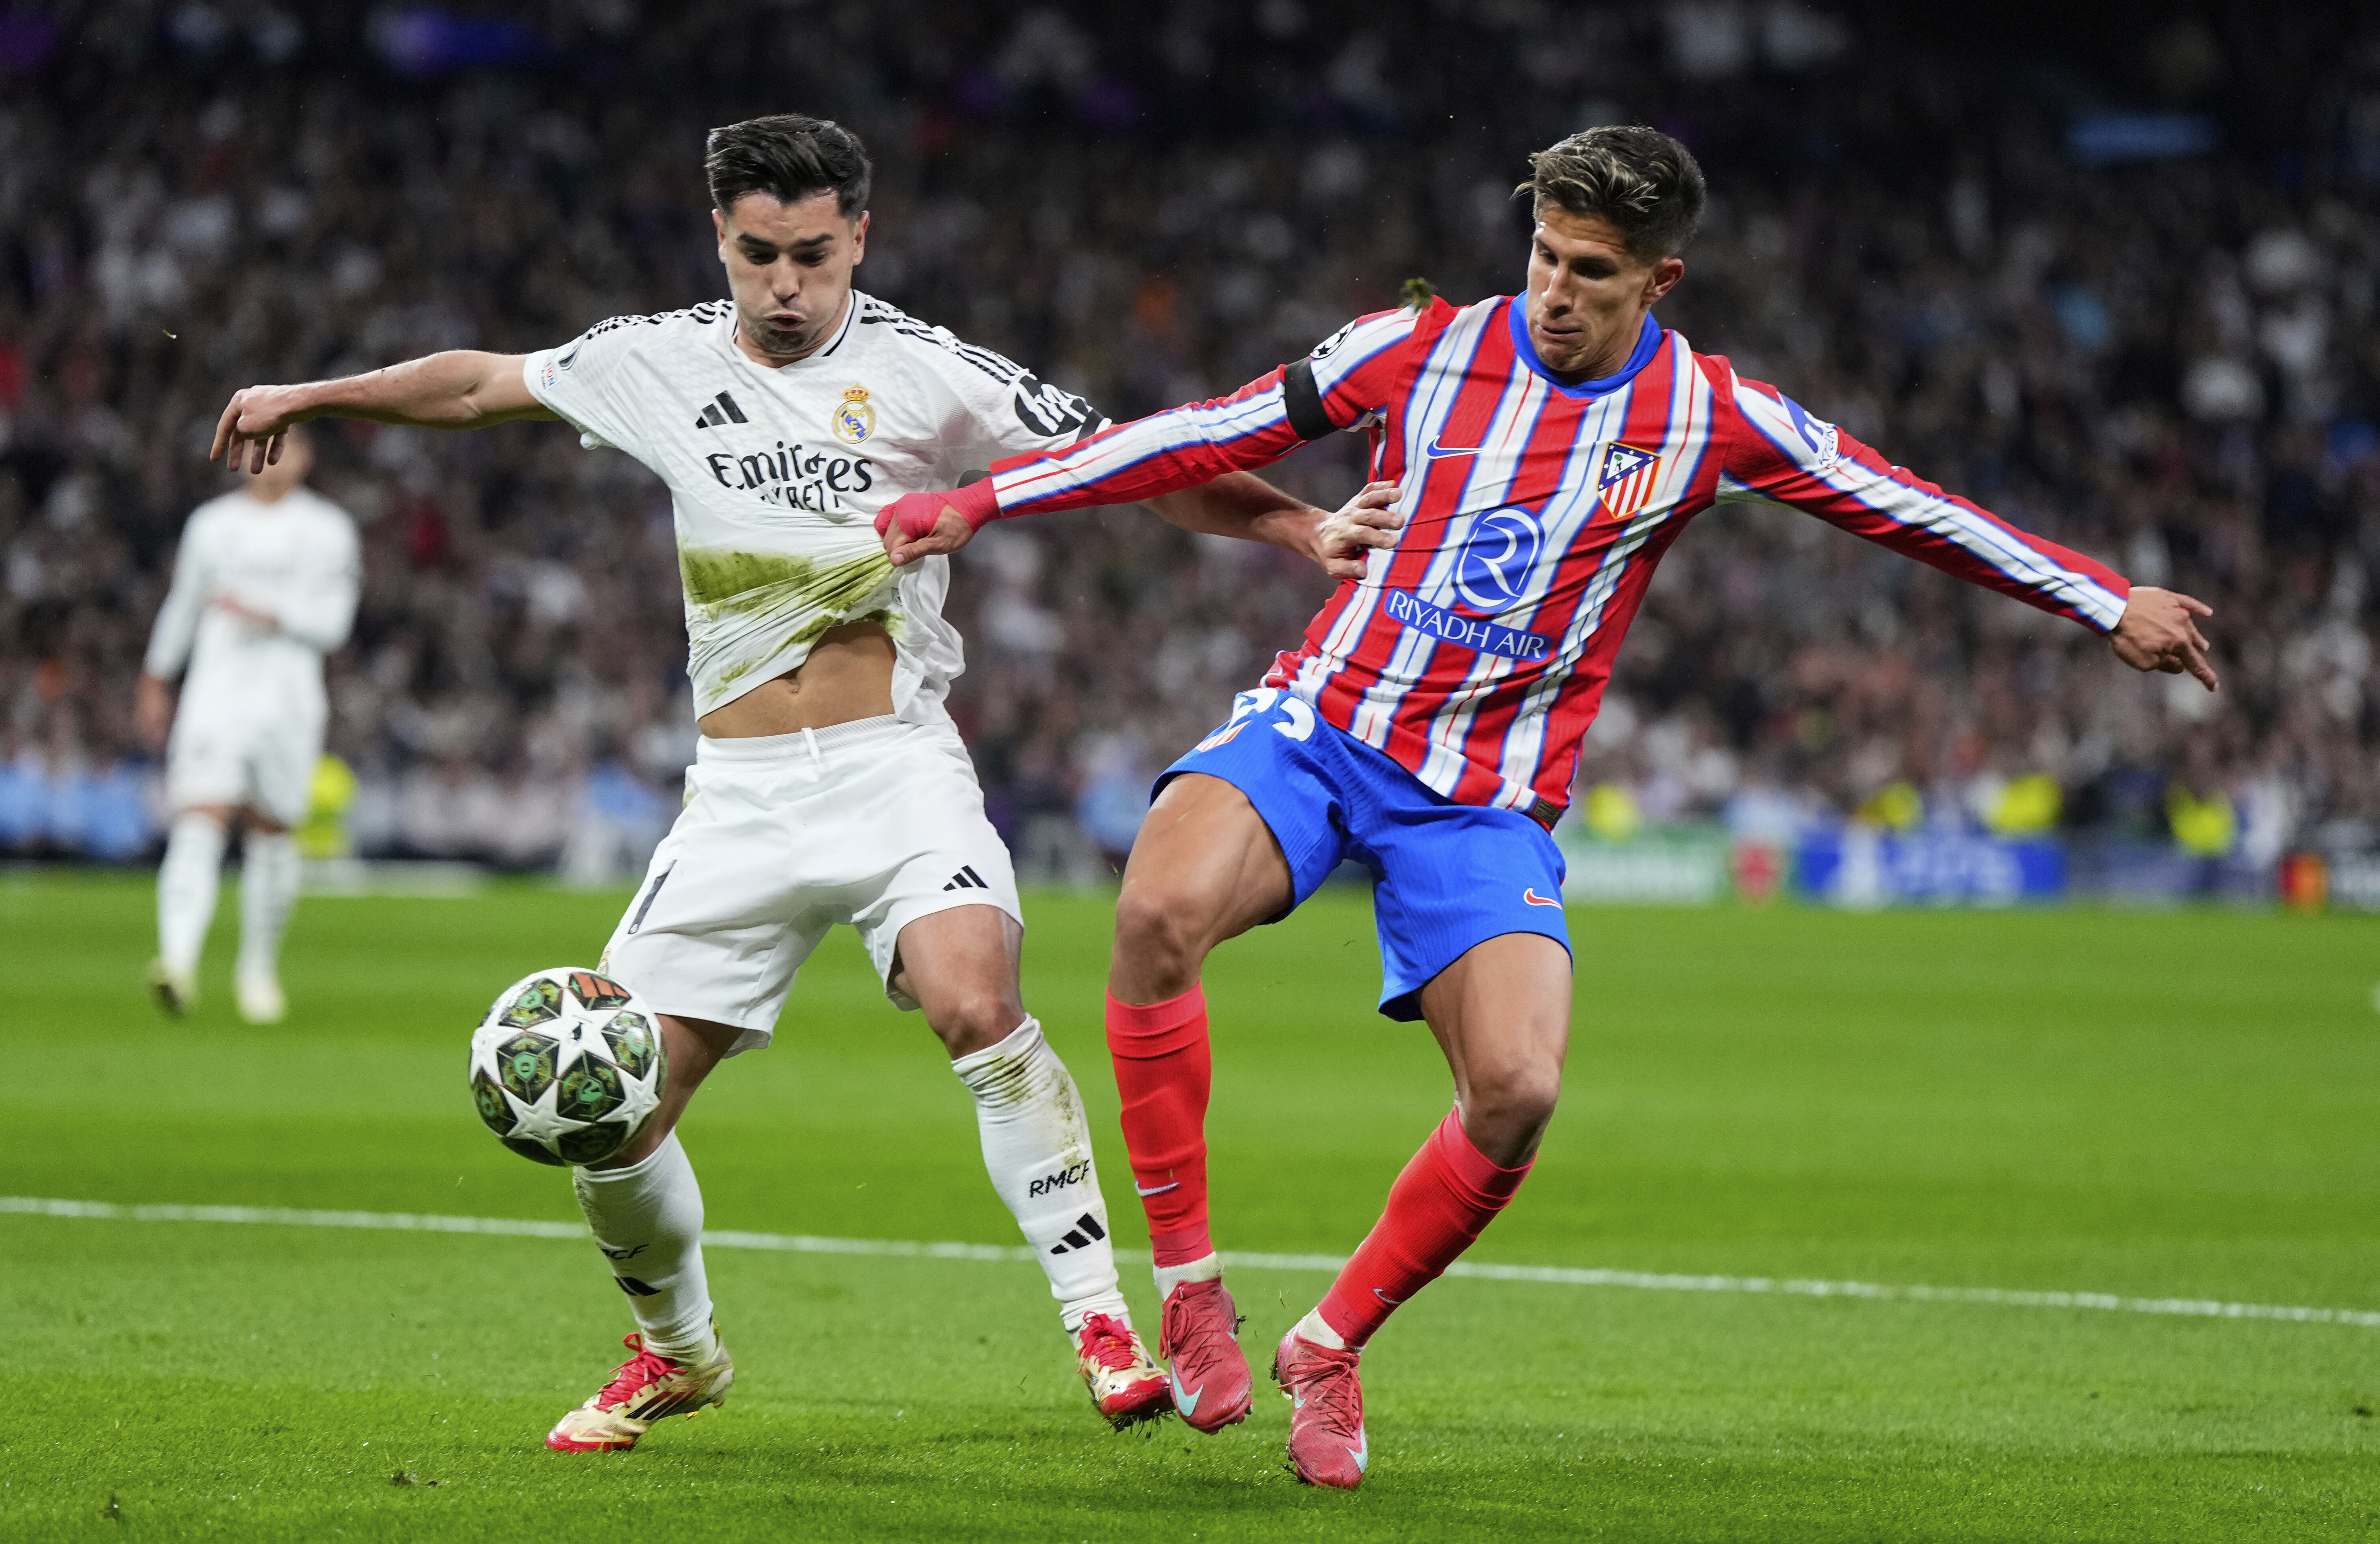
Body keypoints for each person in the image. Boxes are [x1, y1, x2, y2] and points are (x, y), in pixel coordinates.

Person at [872, 125, 2221, 1488]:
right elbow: (1204, 433)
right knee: (1155, 908)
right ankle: (1190, 1285)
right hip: (1325, 723)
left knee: (1515, 1090)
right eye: (1541, 255)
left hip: (1483, 801)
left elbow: (1903, 505)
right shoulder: (1421, 347)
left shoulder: (1709, 415)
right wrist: (984, 500)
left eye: (1588, 270)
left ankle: (1330, 1344)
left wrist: (2104, 599)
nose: (1553, 291)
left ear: (1659, 278)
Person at [209, 114, 1333, 1452]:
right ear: (720, 242)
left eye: (813, 254)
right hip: (736, 798)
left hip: (893, 767)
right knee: (611, 1109)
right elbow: (477, 385)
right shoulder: (654, 361)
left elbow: (1132, 461)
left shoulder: (931, 372)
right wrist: (307, 396)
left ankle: (1099, 1320)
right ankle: (678, 1352)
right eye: (760, 256)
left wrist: (1297, 523)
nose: (787, 285)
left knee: (974, 998)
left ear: (859, 236)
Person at [138, 426, 359, 1025]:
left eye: (283, 445)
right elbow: (183, 603)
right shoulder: (210, 525)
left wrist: (272, 612)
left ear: (307, 458)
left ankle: (257, 969)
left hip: (289, 700)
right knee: (199, 817)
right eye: (258, 446)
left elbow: (335, 623)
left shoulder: (329, 530)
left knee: (273, 831)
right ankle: (176, 962)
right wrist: (157, 676)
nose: (267, 458)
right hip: (216, 694)